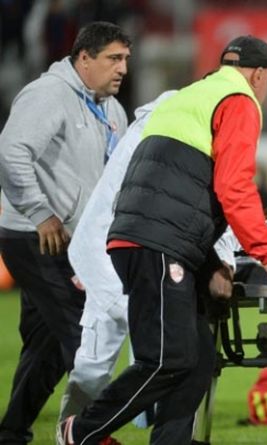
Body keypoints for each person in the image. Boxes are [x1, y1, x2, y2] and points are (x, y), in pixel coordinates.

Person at [57, 35, 267, 445]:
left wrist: (209, 260)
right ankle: (80, 431)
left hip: (142, 237)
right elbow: (233, 187)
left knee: (196, 358)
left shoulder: (188, 96)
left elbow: (183, 185)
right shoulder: (239, 100)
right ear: (260, 75)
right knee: (166, 360)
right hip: (159, 243)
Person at [0, 21, 131, 444]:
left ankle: (12, 433)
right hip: (35, 235)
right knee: (85, 333)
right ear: (84, 58)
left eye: (126, 59)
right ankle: (90, 433)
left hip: (75, 241)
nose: (123, 68)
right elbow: (10, 152)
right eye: (114, 58)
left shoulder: (112, 110)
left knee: (48, 347)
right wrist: (41, 213)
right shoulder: (48, 94)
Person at [59, 91, 176, 423]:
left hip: (111, 250)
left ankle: (80, 432)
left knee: (96, 358)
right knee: (162, 339)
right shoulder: (161, 135)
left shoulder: (148, 130)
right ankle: (87, 431)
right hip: (109, 253)